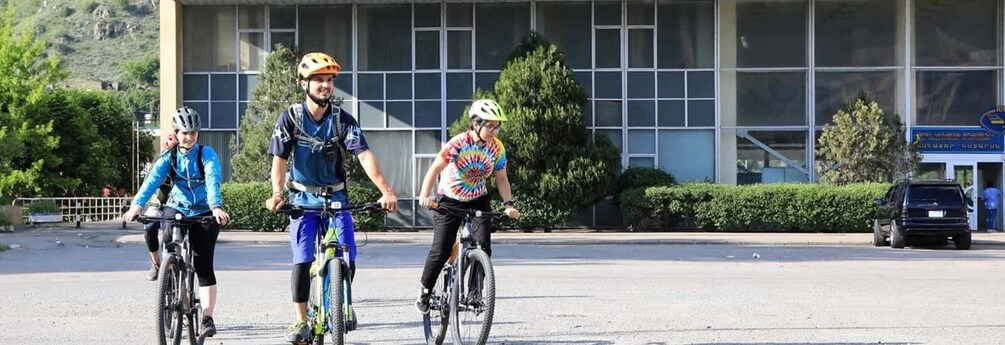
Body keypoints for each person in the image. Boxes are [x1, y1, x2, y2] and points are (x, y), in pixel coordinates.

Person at [263, 52, 398, 343]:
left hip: (336, 200)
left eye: (329, 80)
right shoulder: (291, 118)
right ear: (304, 84)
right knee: (302, 260)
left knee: (348, 254)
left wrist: (385, 190)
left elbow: (364, 156)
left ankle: (338, 300)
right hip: (302, 201)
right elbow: (279, 160)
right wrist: (277, 193)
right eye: (319, 80)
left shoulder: (342, 120)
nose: (325, 85)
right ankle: (300, 321)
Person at [122, 107, 231, 337]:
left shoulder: (206, 154)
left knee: (203, 266)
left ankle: (207, 318)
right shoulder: (169, 157)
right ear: (176, 133)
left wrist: (216, 207)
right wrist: (137, 205)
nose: (188, 137)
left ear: (197, 134)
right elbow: (152, 181)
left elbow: (212, 180)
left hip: (204, 210)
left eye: (192, 133)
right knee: (168, 235)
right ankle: (171, 271)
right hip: (178, 206)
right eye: (184, 133)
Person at [414, 98, 521, 314]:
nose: (494, 130)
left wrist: (508, 204)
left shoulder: (497, 148)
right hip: (450, 199)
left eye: (497, 125)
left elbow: (501, 178)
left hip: (478, 198)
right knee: (441, 249)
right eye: (489, 125)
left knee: (484, 247)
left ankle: (474, 294)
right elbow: (434, 170)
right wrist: (425, 195)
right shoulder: (458, 144)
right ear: (475, 124)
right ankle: (425, 290)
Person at [142, 133, 179, 281]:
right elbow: (151, 182)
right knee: (149, 225)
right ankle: (156, 263)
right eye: (167, 138)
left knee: (170, 233)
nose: (168, 141)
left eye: (172, 139)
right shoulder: (161, 158)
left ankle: (180, 263)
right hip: (159, 202)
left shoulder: (186, 158)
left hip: (180, 204)